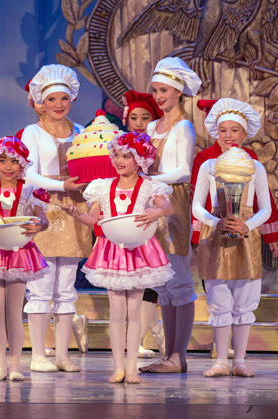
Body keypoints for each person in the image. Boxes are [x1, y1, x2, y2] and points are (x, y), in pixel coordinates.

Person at [65, 131, 174, 383]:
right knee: (116, 312)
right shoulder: (103, 187)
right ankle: (118, 367)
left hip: (138, 252)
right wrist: (76, 214)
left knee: (134, 312)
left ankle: (132, 367)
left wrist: (156, 212)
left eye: (126, 156)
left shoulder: (149, 186)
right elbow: (92, 219)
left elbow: (167, 207)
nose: (119, 160)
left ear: (140, 160)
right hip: (112, 251)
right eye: (116, 155)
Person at [192, 99, 278, 359]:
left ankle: (240, 360)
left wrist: (251, 225)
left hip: (246, 235)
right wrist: (212, 225)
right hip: (215, 234)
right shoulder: (207, 164)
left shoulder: (254, 165)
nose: (228, 135)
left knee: (245, 296)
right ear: (216, 132)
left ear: (245, 133)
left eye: (235, 130)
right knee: (218, 295)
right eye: (223, 130)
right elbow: (197, 204)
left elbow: (265, 205)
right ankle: (221, 357)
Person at [22, 65, 91, 373]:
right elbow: (29, 174)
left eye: (64, 98)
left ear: (72, 98)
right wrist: (63, 185)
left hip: (75, 209)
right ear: (41, 101)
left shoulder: (81, 132)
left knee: (66, 286)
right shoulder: (33, 132)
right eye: (52, 99)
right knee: (41, 284)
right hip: (45, 208)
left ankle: (63, 354)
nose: (58, 104)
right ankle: (38, 354)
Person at [0, 137, 50, 381]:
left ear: (22, 164)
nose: (8, 166)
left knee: (14, 313)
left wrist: (40, 226)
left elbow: (42, 219)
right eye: (2, 160)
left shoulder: (28, 191)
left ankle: (15, 366)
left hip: (19, 252)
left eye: (14, 161)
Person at [140, 57, 201, 374]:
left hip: (173, 205)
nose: (159, 96)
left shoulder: (183, 127)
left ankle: (179, 355)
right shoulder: (152, 127)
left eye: (164, 90)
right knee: (162, 283)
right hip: (152, 202)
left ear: (178, 91)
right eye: (155, 90)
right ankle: (169, 356)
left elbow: (183, 171)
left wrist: (146, 179)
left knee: (179, 279)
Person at [121, 90, 166, 358]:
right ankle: (154, 330)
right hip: (121, 224)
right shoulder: (119, 150)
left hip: (148, 221)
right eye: (134, 117)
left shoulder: (156, 149)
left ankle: (138, 338)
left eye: (145, 117)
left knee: (147, 281)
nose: (139, 123)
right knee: (125, 284)